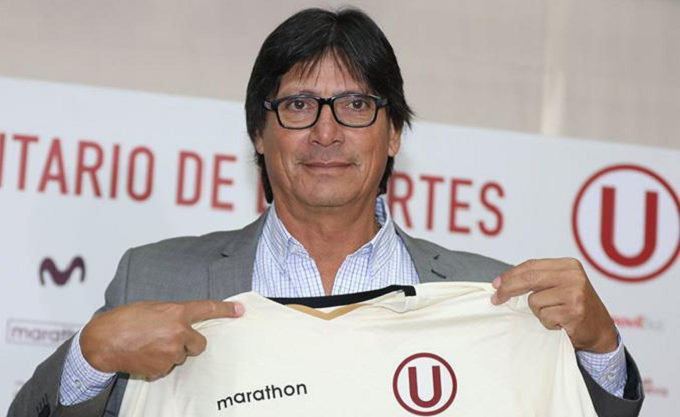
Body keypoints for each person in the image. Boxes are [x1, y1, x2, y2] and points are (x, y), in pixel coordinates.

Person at [9, 7, 643, 417]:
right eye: (298, 105)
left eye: (356, 105)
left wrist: (600, 347)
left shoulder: (493, 296)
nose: (326, 132)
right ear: (259, 134)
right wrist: (90, 357)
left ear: (394, 135)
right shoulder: (153, 278)